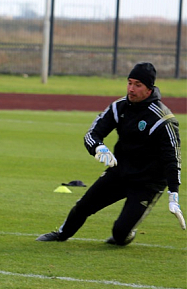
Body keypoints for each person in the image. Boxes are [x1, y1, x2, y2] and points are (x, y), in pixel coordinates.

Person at [36, 62, 183, 245]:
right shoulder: (119, 107)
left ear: (149, 89)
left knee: (120, 235)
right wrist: (98, 147)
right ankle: (61, 234)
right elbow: (92, 134)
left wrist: (173, 195)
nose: (131, 89)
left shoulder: (163, 119)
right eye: (129, 83)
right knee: (83, 206)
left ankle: (127, 232)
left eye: (138, 85)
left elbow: (172, 159)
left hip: (148, 182)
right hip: (120, 172)